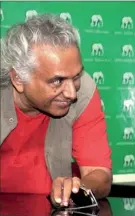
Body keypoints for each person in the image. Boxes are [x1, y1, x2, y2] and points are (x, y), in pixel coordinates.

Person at [0, 14, 113, 207]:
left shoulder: (84, 90)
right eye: (57, 81)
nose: (71, 93)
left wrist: (77, 187)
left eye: (76, 76)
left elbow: (101, 176)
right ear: (18, 79)